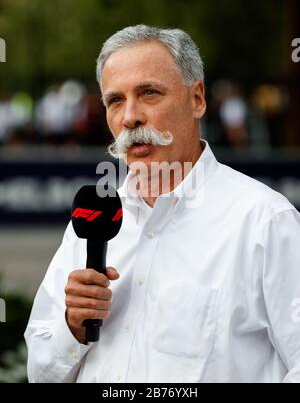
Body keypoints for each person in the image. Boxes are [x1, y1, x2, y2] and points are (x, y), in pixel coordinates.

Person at [25, 25, 300, 383]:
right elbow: (39, 372)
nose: (130, 117)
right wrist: (72, 328)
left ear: (197, 99)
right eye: (115, 100)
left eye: (149, 93)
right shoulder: (94, 219)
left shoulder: (264, 221)